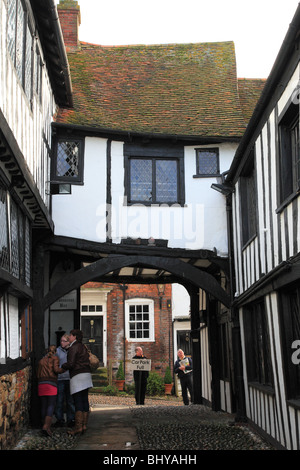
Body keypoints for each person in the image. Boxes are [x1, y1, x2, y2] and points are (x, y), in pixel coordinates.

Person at [60, 329, 93, 435]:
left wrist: (62, 366)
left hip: (78, 376)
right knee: (84, 400)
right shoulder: (83, 346)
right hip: (86, 375)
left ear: (74, 336)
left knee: (78, 400)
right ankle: (84, 425)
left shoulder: (74, 347)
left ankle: (78, 427)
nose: (69, 337)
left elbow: (71, 364)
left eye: (70, 335)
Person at [37, 345, 62, 437]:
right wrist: (63, 369)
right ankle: (46, 426)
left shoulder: (41, 360)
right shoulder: (55, 358)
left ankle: (45, 426)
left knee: (43, 405)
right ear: (55, 351)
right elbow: (56, 370)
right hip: (51, 384)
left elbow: (38, 373)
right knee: (51, 405)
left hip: (41, 384)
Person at [54, 334, 75, 427]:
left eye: (64, 341)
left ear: (68, 342)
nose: (61, 342)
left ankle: (71, 419)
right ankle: (60, 419)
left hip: (70, 378)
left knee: (70, 401)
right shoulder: (57, 351)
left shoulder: (72, 351)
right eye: (61, 341)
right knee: (59, 400)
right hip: (60, 378)